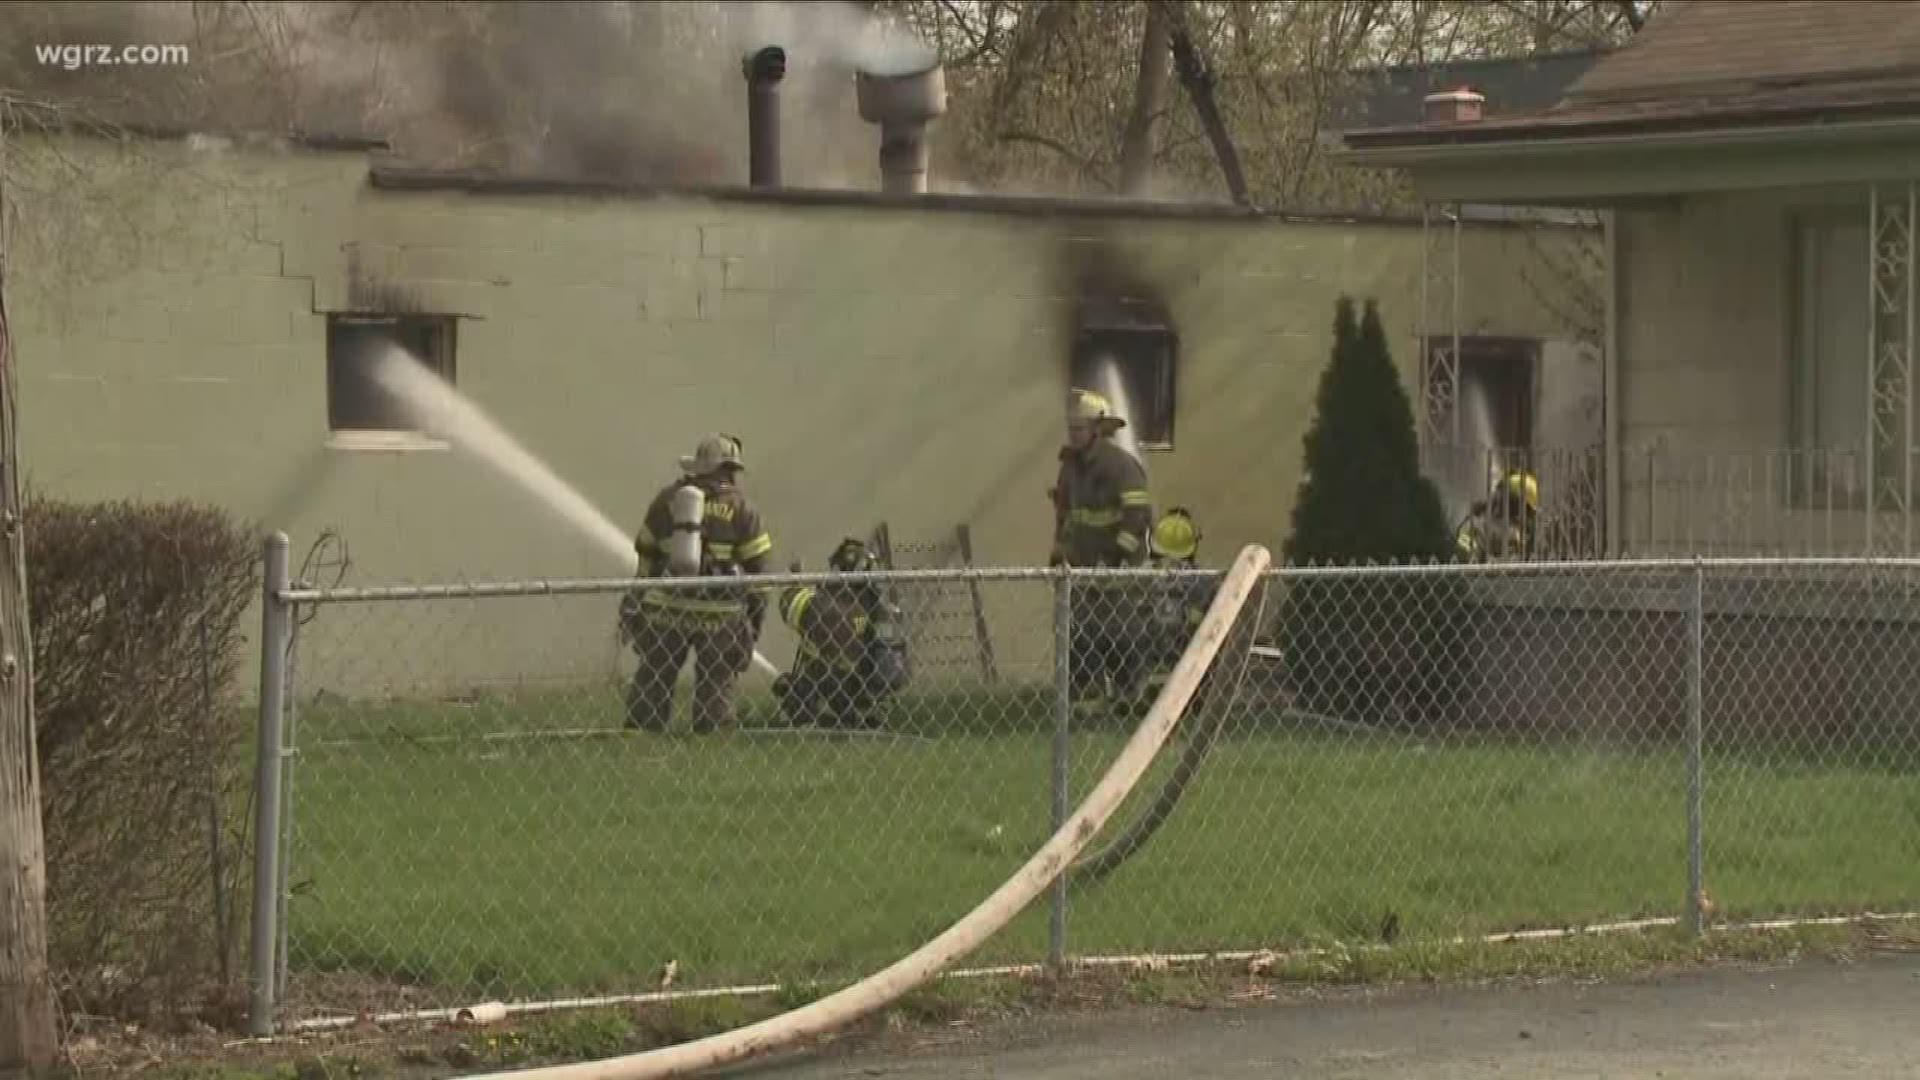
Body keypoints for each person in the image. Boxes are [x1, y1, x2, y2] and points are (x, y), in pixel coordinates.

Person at [620, 433, 774, 734]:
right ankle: (711, 735)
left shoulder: (667, 500)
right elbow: (760, 570)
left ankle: (640, 731)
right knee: (717, 679)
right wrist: (755, 619)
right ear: (728, 469)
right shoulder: (742, 509)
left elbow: (646, 554)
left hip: (667, 609)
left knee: (655, 675)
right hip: (721, 614)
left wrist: (636, 601)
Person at [1049, 387, 1154, 721]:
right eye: (1071, 428)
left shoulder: (1120, 466)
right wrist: (1060, 551)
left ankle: (1129, 698)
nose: (1073, 434)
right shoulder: (1070, 467)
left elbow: (1137, 515)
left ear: (1097, 429)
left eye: (1079, 428)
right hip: (1081, 571)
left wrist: (1116, 557)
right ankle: (1086, 701)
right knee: (1080, 637)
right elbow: (1066, 514)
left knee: (1123, 637)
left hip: (1118, 573)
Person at [771, 537, 909, 730]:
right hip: (867, 685)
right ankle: (857, 719)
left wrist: (795, 585)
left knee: (804, 677)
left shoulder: (839, 606)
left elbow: (794, 607)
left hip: (845, 681)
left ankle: (810, 719)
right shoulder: (877, 606)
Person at [1454, 470, 1540, 562]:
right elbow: (1466, 555)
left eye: (1528, 513)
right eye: (1523, 510)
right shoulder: (1478, 525)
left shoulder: (1525, 533)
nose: (1523, 517)